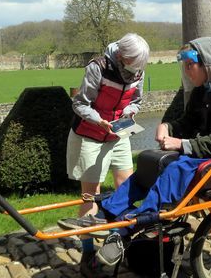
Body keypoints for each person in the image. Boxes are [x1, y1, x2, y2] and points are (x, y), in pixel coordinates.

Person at [73, 36, 211, 275]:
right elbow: (188, 121)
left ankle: (130, 226)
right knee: (149, 160)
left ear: (207, 64)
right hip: (206, 149)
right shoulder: (205, 89)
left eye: (189, 65)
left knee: (174, 169)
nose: (186, 71)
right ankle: (108, 212)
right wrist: (168, 127)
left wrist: (181, 144)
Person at [64, 33, 149, 273]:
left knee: (126, 189)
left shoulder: (139, 69)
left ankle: (119, 242)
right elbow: (79, 104)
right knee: (90, 195)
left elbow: (138, 100)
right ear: (121, 57)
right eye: (132, 67)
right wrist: (100, 121)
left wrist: (129, 113)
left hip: (118, 133)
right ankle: (88, 252)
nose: (136, 73)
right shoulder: (98, 67)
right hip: (91, 134)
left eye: (139, 69)